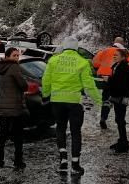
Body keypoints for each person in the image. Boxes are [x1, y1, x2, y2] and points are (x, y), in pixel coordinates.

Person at [42, 37, 102, 176]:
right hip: (75, 102)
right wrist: (99, 100)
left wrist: (46, 94)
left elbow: (46, 80)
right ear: (76, 48)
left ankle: (63, 161)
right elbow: (89, 85)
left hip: (57, 101)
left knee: (60, 128)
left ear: (63, 47)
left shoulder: (54, 60)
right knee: (76, 132)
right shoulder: (82, 62)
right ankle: (75, 164)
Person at [92, 37, 129, 129]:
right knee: (119, 102)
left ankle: (103, 117)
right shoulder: (125, 53)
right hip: (118, 81)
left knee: (106, 99)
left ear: (114, 43)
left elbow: (95, 63)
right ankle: (120, 122)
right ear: (122, 44)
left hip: (105, 80)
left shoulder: (104, 51)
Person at [0, 47, 28, 169]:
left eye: (18, 56)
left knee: (2, 134)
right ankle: (18, 161)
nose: (17, 58)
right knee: (18, 135)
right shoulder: (14, 67)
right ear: (8, 56)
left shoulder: (0, 68)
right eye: (14, 55)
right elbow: (23, 85)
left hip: (2, 105)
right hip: (14, 106)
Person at [107, 47, 129, 153]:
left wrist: (109, 80)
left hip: (122, 97)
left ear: (123, 57)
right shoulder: (117, 66)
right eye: (114, 55)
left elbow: (122, 84)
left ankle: (124, 144)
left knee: (120, 120)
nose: (114, 56)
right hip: (118, 97)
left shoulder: (124, 68)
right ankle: (122, 141)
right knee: (119, 119)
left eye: (117, 55)